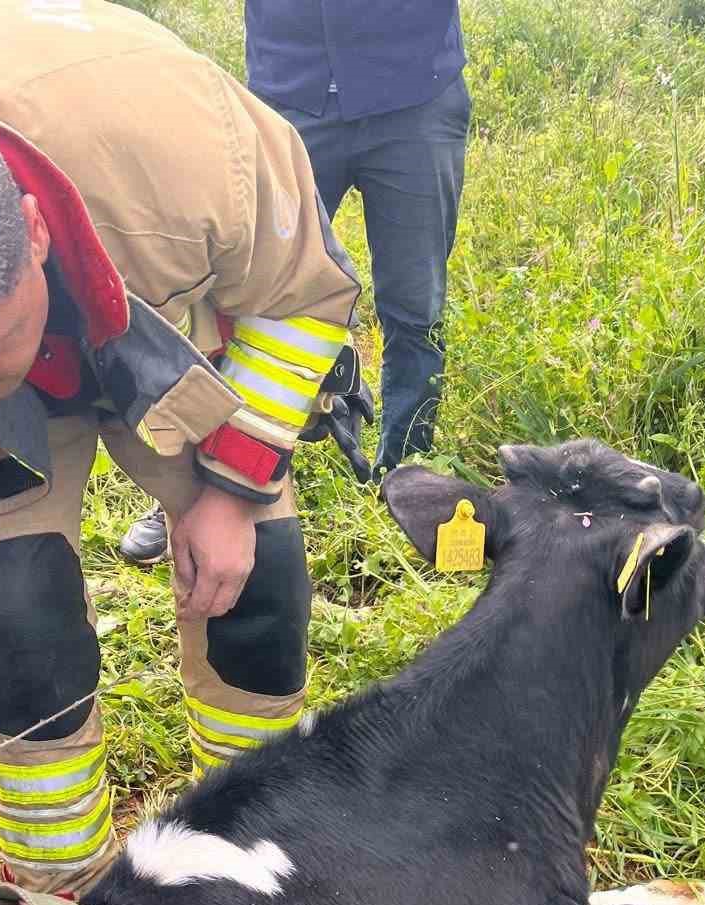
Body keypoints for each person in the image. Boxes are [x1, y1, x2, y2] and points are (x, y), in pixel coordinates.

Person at [0, 0, 371, 905]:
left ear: (32, 233)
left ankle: (251, 846)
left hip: (141, 305)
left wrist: (233, 488)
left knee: (258, 589)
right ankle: (61, 900)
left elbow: (303, 300)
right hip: (50, 311)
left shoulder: (192, 161)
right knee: (19, 621)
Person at [120, 0, 469, 566]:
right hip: (290, 92)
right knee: (240, 296)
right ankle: (194, 486)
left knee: (414, 303)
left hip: (413, 92)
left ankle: (405, 476)